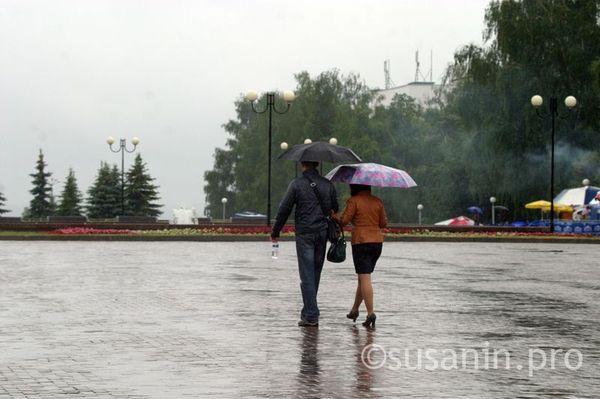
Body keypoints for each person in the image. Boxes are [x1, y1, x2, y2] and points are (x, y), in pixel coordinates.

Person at [271, 161, 339, 327]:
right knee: (315, 273)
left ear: (303, 164)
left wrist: (276, 230)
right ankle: (308, 311)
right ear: (316, 164)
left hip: (305, 233)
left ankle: (311, 314)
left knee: (306, 274)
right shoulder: (327, 184)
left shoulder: (296, 184)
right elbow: (335, 207)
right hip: (322, 233)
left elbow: (284, 208)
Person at [335, 184, 387, 328]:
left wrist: (334, 216)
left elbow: (343, 221)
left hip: (361, 242)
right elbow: (383, 223)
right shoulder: (378, 201)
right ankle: (355, 310)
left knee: (364, 277)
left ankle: (371, 313)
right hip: (377, 243)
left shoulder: (354, 201)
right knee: (363, 277)